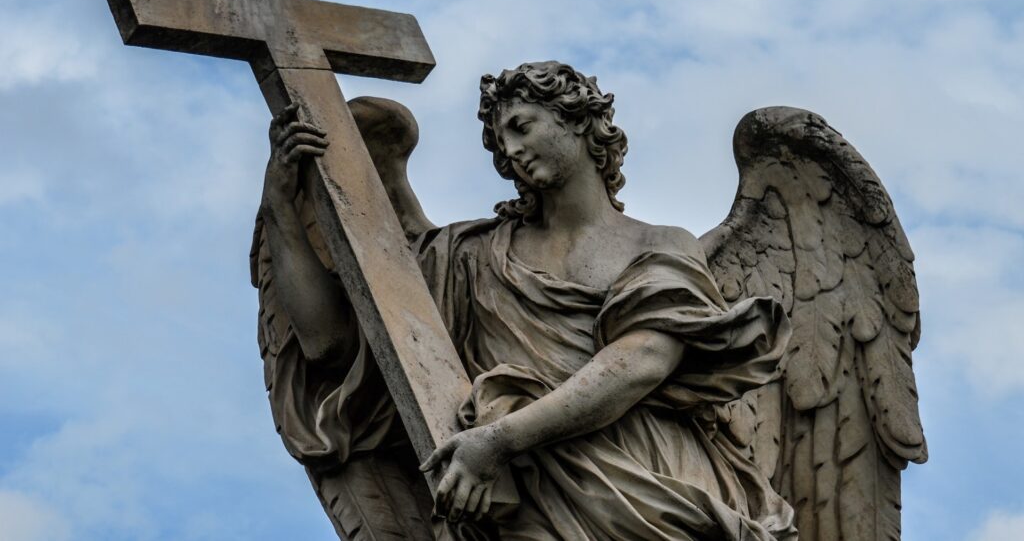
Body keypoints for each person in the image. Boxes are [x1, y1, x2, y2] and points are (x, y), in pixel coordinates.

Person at [260, 61, 797, 540]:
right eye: (501, 141)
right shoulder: (467, 257)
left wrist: (498, 441)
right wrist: (283, 205)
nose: (511, 150)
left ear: (579, 122)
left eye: (522, 127)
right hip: (527, 500)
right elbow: (330, 342)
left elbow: (642, 361)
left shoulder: (659, 244)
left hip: (654, 486)